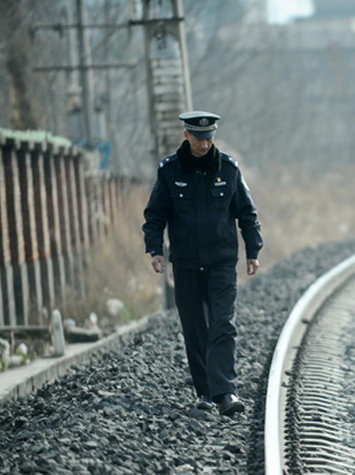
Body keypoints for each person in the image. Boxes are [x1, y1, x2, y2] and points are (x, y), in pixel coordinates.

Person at [142, 111, 263, 416]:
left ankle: (225, 393)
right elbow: (155, 215)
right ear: (186, 136)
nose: (205, 144)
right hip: (185, 264)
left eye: (209, 138)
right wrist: (155, 250)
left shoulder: (229, 169)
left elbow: (247, 214)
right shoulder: (170, 171)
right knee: (195, 329)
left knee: (222, 324)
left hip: (222, 262)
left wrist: (253, 251)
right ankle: (205, 394)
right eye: (199, 138)